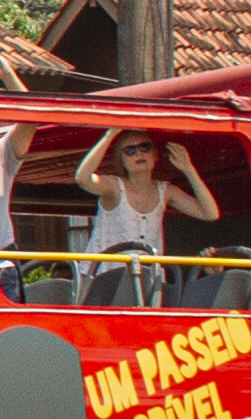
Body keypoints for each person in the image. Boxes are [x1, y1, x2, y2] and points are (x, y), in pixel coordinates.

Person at [80, 129, 220, 310]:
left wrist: (189, 169)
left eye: (144, 147)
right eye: (129, 150)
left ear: (155, 155)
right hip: (103, 278)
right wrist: (110, 135)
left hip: (147, 281)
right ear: (121, 160)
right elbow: (82, 178)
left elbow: (210, 213)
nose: (138, 153)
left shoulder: (166, 190)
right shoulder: (113, 187)